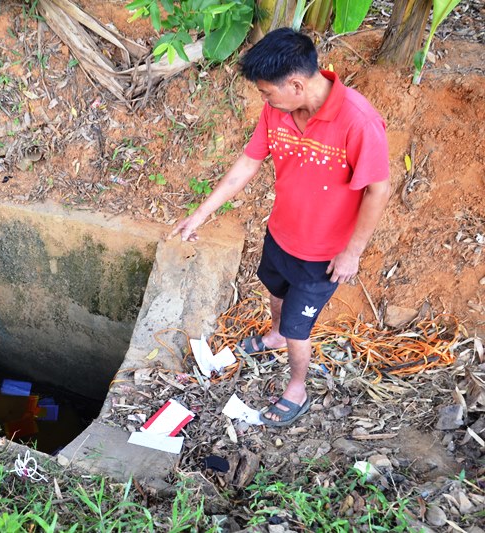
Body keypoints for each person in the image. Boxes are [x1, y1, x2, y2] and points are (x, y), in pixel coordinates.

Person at [169, 28, 391, 427]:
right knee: (275, 291)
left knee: (298, 328)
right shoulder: (280, 109)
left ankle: (297, 387)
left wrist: (352, 252)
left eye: (268, 92)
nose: (265, 101)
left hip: (322, 255)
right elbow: (249, 163)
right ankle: (272, 336)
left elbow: (378, 189)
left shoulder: (358, 122)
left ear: (296, 83)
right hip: (282, 234)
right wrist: (201, 214)